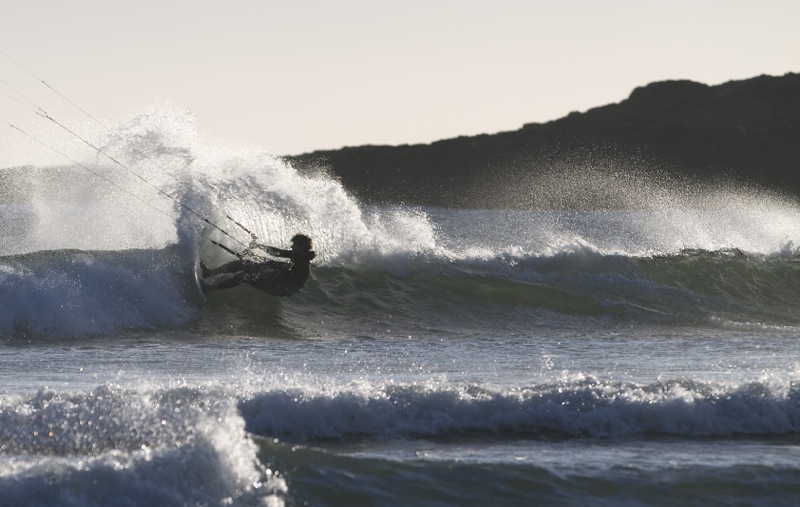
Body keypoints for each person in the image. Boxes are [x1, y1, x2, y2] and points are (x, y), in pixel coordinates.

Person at [200, 233, 316, 297]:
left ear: (301, 246)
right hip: (277, 278)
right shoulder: (297, 255)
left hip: (282, 288)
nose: (292, 247)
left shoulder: (303, 265)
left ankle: (210, 288)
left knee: (245, 276)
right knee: (243, 264)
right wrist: (259, 246)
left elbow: (287, 279)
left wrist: (265, 269)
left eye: (294, 245)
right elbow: (279, 252)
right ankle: (209, 273)